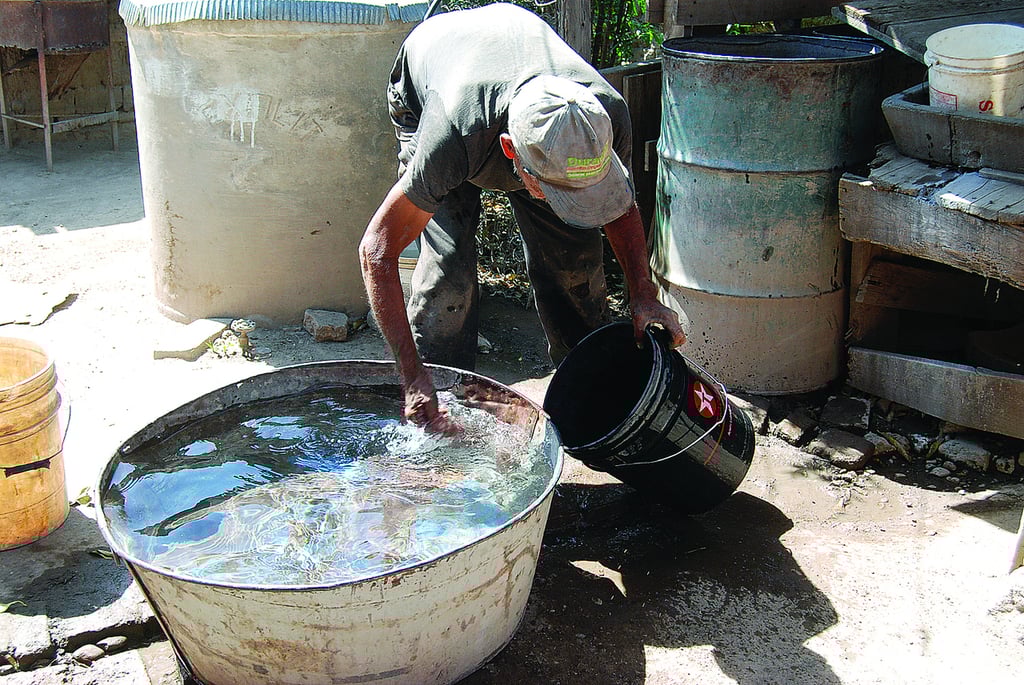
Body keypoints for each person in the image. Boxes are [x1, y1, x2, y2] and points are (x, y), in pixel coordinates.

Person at [359, 2, 686, 434]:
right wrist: (410, 375)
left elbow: (619, 206)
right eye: (555, 190)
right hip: (431, 85)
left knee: (574, 267)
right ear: (512, 153)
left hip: (514, 80)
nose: (570, 200)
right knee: (449, 273)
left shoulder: (601, 117)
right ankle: (438, 406)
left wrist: (643, 291)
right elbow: (376, 252)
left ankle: (588, 398)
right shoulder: (451, 139)